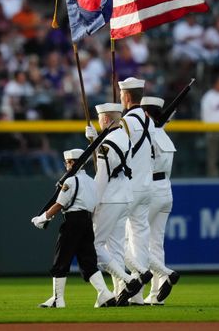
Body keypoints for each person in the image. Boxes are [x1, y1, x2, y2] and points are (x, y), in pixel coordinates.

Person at [30, 148, 117, 309]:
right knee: (88, 261)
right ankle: (105, 293)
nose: (67, 165)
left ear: (77, 163)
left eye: (70, 162)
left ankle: (58, 299)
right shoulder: (92, 182)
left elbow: (59, 204)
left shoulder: (70, 181)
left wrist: (43, 217)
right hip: (87, 222)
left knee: (61, 259)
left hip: (72, 222)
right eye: (67, 162)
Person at [85, 103, 142, 306]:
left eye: (100, 119)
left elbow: (102, 177)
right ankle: (121, 294)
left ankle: (128, 281)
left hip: (109, 198)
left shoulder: (107, 144)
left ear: (106, 119)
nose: (99, 121)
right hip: (125, 197)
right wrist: (94, 140)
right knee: (116, 248)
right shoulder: (123, 137)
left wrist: (92, 203)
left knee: (95, 246)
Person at [116, 77, 155, 304]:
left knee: (114, 239)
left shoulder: (126, 122)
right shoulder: (149, 120)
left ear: (127, 96)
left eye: (121, 95)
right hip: (146, 187)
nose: (120, 98)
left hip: (127, 189)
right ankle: (137, 296)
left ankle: (125, 286)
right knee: (139, 241)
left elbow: (116, 153)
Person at [140, 96, 181, 304]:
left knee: (134, 241)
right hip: (166, 189)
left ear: (146, 113)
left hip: (150, 189)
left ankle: (141, 290)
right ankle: (155, 295)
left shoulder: (146, 135)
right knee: (156, 243)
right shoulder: (164, 135)